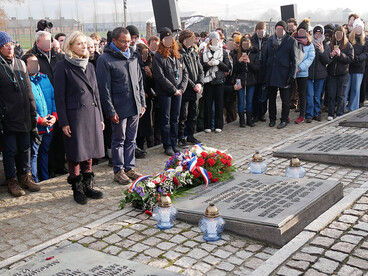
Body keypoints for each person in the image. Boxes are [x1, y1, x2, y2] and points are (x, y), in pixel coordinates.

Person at [54, 31, 104, 204]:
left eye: (85, 43)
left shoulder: (90, 66)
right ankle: (77, 188)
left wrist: (100, 117)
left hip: (91, 114)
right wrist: (64, 122)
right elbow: (59, 97)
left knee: (89, 150)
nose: (85, 46)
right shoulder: (63, 67)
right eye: (80, 44)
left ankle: (88, 185)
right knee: (76, 152)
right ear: (70, 47)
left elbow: (96, 93)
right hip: (74, 116)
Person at [97, 27, 146, 184]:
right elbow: (104, 89)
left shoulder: (132, 56)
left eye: (128, 40)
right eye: (123, 41)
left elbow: (139, 81)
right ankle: (118, 170)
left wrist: (142, 103)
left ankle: (129, 167)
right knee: (119, 139)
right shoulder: (105, 59)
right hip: (119, 107)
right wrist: (111, 111)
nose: (127, 44)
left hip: (134, 106)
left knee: (131, 139)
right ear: (114, 41)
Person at [0, 31, 40, 197]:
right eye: (5, 45)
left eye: (11, 45)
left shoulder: (21, 64)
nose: (10, 48)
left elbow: (29, 92)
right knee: (10, 151)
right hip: (7, 118)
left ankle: (25, 176)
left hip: (24, 117)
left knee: (26, 148)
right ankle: (12, 180)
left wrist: (33, 113)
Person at [29, 31, 65, 177]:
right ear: (37, 43)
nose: (48, 44)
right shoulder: (33, 58)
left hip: (57, 102)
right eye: (44, 41)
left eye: (49, 41)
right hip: (42, 106)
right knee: (42, 147)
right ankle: (45, 171)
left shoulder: (58, 56)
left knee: (59, 138)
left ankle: (59, 165)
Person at [152, 27, 188, 156]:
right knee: (165, 120)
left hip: (178, 92)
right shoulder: (158, 57)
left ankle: (174, 142)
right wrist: (173, 90)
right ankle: (167, 145)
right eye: (166, 39)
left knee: (175, 118)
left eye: (170, 38)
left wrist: (182, 88)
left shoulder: (177, 55)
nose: (168, 41)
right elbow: (159, 77)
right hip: (166, 93)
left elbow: (185, 73)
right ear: (162, 41)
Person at [22, 52, 57, 183]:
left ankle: (45, 177)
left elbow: (53, 98)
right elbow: (25, 105)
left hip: (49, 125)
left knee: (45, 152)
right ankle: (34, 180)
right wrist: (39, 119)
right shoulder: (24, 81)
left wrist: (54, 116)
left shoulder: (44, 78)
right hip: (36, 126)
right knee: (34, 155)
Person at [264, 20, 298, 129]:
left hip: (284, 73)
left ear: (284, 30)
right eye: (277, 29)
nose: (279, 31)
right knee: (272, 98)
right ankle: (272, 119)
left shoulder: (291, 41)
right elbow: (266, 56)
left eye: (281, 29)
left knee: (285, 100)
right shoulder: (270, 40)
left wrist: (291, 76)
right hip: (272, 73)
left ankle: (284, 119)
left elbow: (294, 60)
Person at [177, 30, 204, 147]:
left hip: (196, 90)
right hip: (186, 90)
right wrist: (193, 85)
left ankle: (191, 135)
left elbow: (200, 70)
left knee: (193, 114)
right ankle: (181, 137)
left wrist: (200, 83)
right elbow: (184, 74)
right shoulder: (180, 54)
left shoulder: (193, 53)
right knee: (183, 115)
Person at [201, 31, 231, 133]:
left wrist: (218, 63)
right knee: (208, 104)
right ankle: (207, 125)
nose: (214, 42)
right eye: (212, 40)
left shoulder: (223, 52)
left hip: (219, 80)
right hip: (208, 81)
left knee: (219, 104)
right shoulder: (205, 52)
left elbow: (227, 67)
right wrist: (208, 64)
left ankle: (219, 125)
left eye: (216, 40)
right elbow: (201, 68)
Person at [327, 26, 354, 120]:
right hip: (332, 74)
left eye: (340, 33)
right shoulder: (330, 44)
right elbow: (327, 59)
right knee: (331, 94)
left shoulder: (348, 45)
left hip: (343, 74)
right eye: (336, 33)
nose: (338, 35)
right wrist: (331, 56)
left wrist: (340, 55)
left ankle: (339, 113)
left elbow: (350, 59)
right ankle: (330, 113)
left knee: (341, 95)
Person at [233, 35, 260, 127]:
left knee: (249, 100)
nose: (245, 46)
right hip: (240, 79)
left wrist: (249, 62)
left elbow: (257, 68)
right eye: (244, 44)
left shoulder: (254, 54)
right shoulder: (237, 53)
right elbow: (234, 70)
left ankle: (249, 119)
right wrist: (239, 61)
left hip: (251, 79)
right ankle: (241, 120)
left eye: (247, 44)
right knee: (241, 100)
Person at [306, 25, 332, 122]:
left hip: (320, 75)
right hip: (309, 74)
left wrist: (322, 51)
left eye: (319, 34)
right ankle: (309, 114)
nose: (317, 36)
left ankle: (316, 113)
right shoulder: (309, 44)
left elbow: (327, 61)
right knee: (309, 95)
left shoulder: (326, 46)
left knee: (317, 96)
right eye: (316, 34)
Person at [292, 20, 315, 124]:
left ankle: (302, 115)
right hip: (292, 71)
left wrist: (299, 68)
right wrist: (293, 67)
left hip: (303, 72)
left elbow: (310, 58)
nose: (301, 32)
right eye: (300, 30)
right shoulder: (292, 41)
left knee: (302, 94)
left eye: (303, 31)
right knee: (289, 93)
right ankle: (286, 115)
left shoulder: (309, 44)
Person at [345, 18, 368, 112]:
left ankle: (353, 108)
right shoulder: (348, 38)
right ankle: (342, 107)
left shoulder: (365, 40)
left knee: (356, 89)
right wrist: (352, 58)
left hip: (359, 67)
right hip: (349, 66)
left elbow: (366, 52)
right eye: (357, 28)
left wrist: (359, 58)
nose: (358, 30)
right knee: (346, 88)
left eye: (360, 28)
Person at [136, 43, 155, 155]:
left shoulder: (149, 64)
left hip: (147, 98)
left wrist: (150, 75)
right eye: (142, 53)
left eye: (146, 53)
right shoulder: (136, 64)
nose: (145, 55)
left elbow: (153, 83)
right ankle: (138, 145)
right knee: (139, 125)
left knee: (147, 124)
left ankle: (144, 144)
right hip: (139, 97)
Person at [251, 22, 269, 123]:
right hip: (254, 70)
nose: (261, 33)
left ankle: (262, 113)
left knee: (263, 95)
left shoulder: (269, 40)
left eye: (262, 31)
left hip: (265, 70)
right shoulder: (251, 40)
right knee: (255, 94)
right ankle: (255, 114)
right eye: (259, 31)